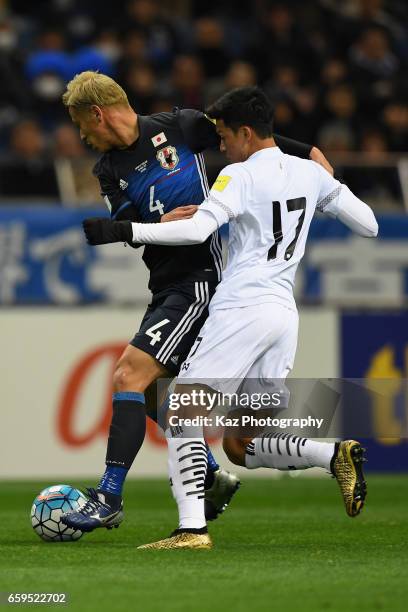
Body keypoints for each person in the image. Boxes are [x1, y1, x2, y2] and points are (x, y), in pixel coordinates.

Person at [82, 86, 378, 549]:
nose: (218, 145)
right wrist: (326, 187)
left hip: (239, 304)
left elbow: (199, 227)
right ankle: (333, 453)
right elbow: (370, 225)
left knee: (180, 408)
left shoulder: (236, 177)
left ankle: (190, 530)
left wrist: (120, 230)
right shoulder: (308, 175)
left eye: (223, 136)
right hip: (284, 314)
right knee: (244, 444)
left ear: (243, 132)